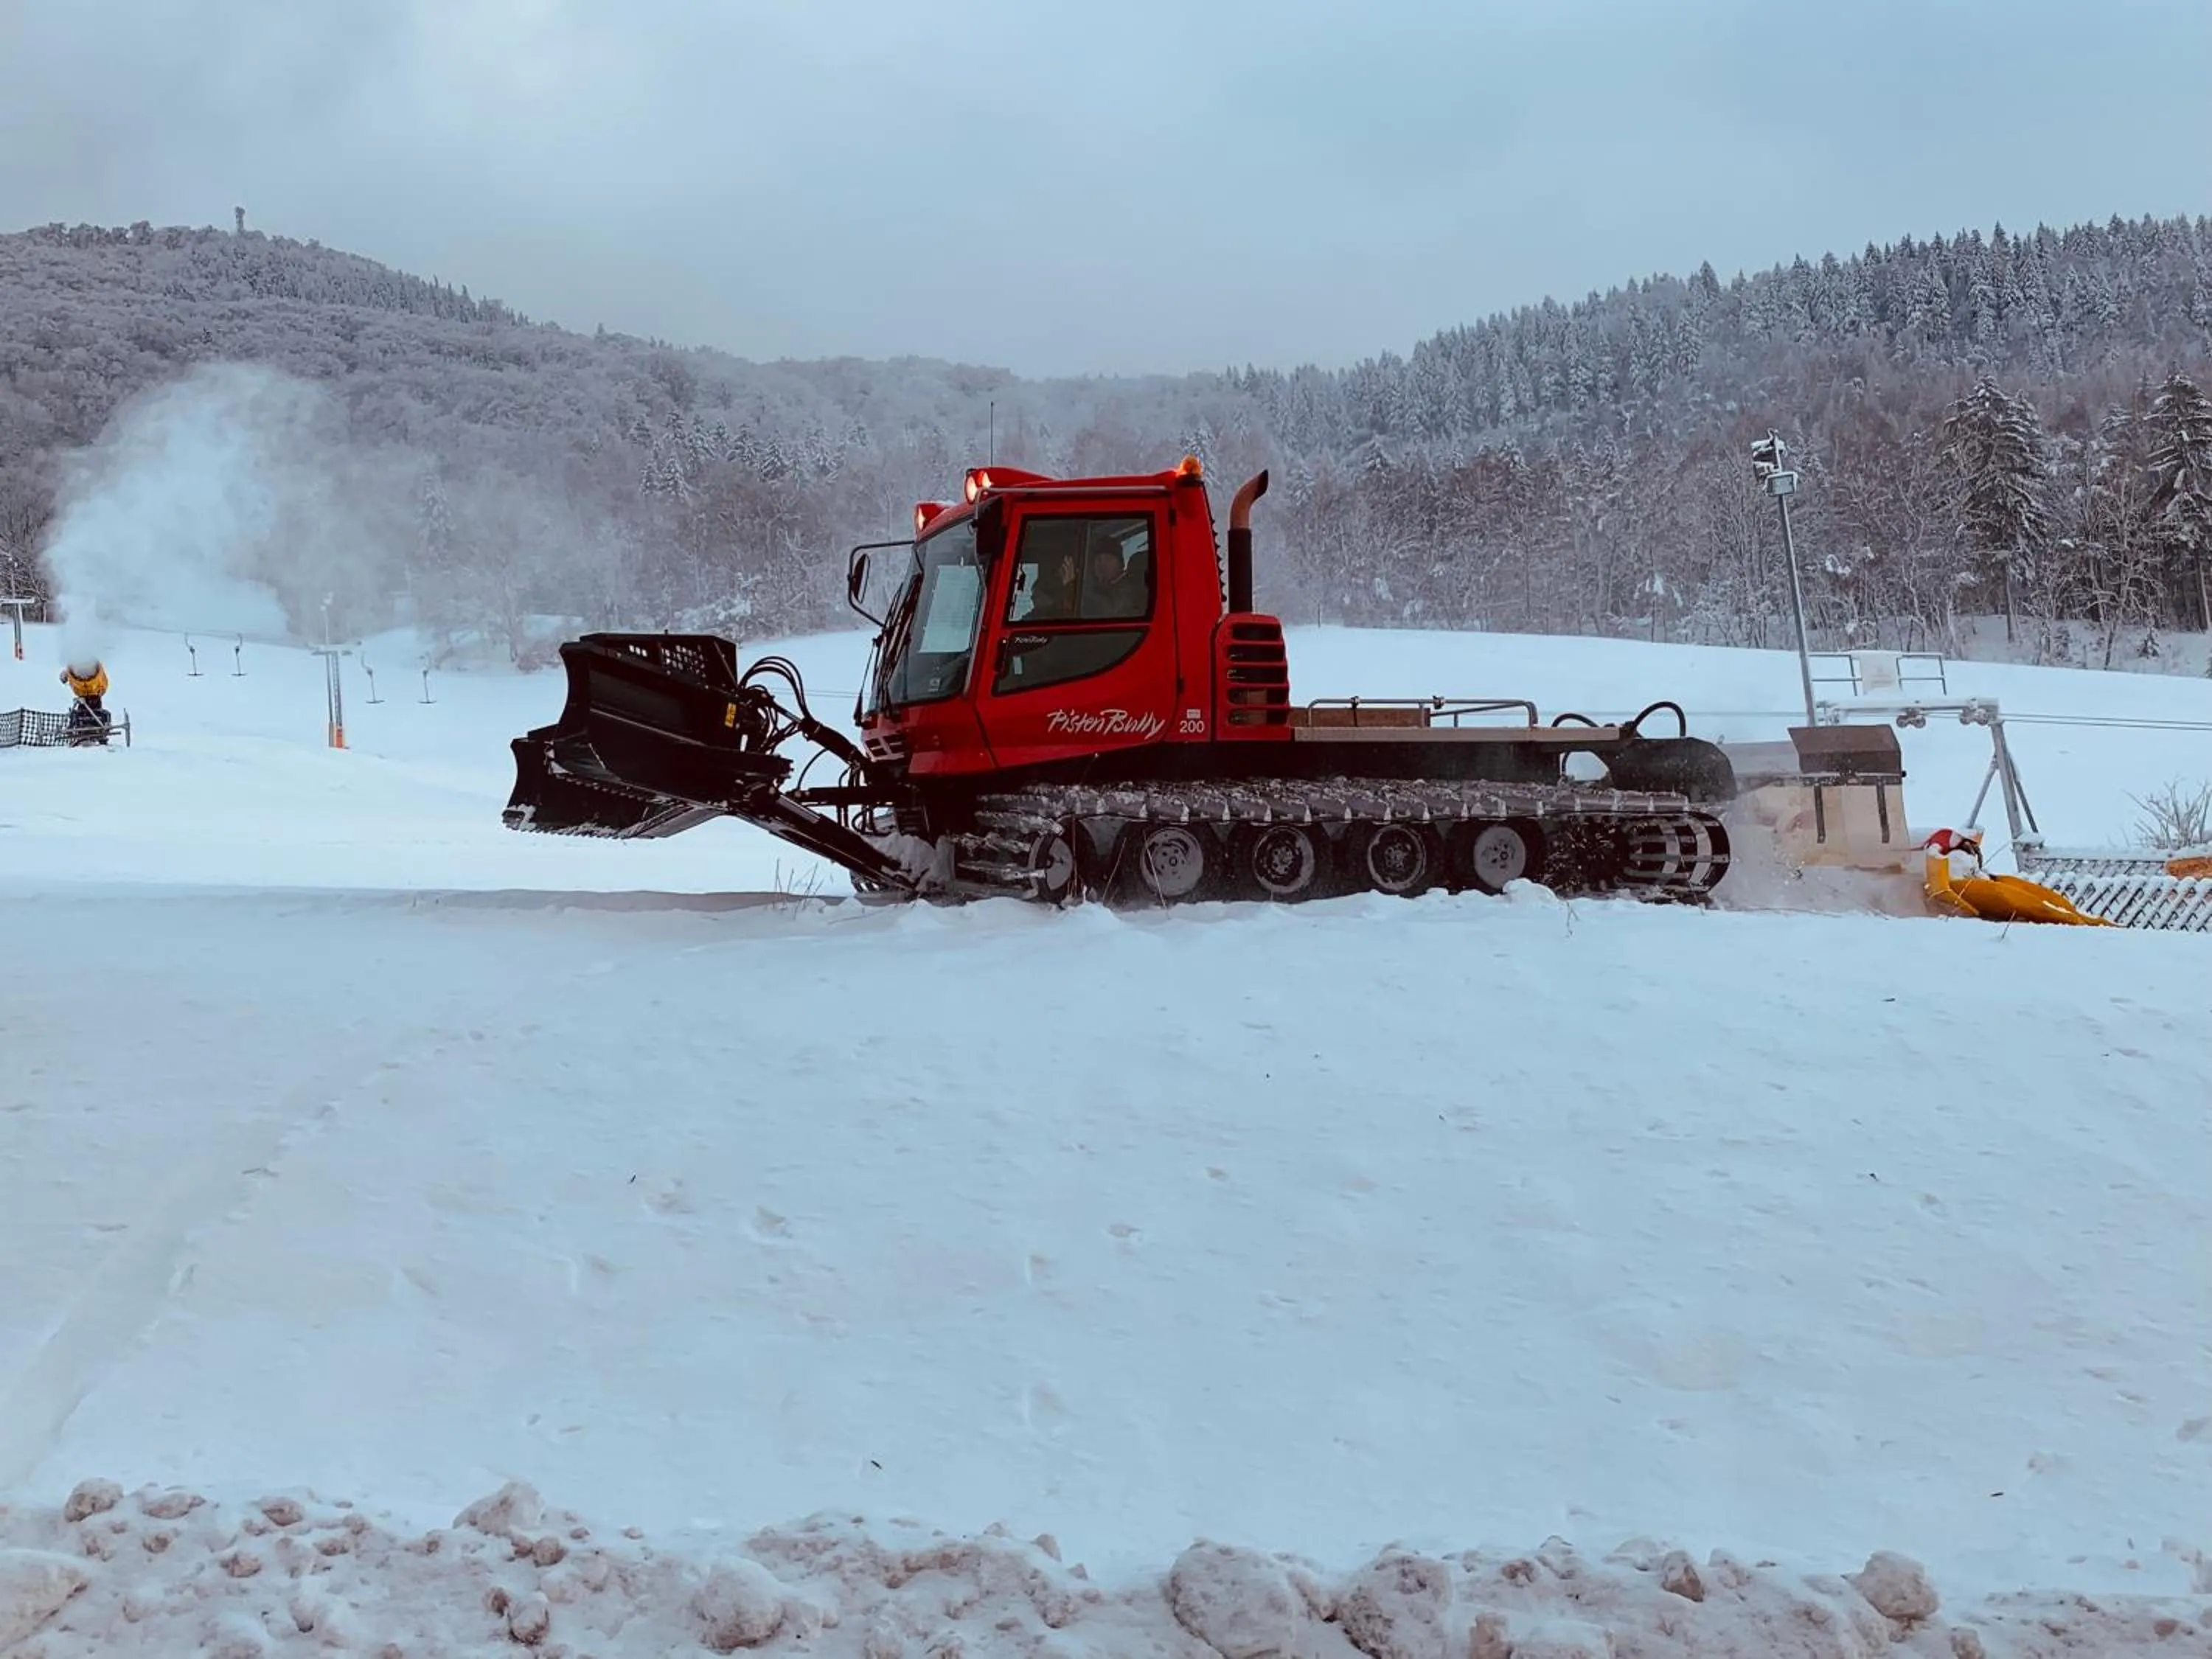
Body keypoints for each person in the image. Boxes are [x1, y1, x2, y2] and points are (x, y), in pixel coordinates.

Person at [59, 657, 112, 744]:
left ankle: (94, 731)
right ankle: (88, 730)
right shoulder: (76, 667)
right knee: (84, 712)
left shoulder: (95, 668)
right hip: (86, 695)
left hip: (94, 695)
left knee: (93, 712)